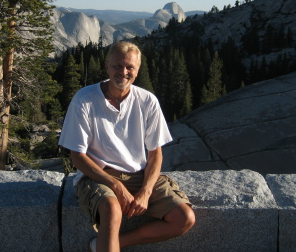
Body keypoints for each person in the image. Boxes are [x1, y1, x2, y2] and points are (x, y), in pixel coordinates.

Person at [59, 41, 195, 252]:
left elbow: (156, 153)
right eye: (117, 66)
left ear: (138, 70)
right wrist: (116, 186)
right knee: (112, 209)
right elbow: (77, 157)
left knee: (184, 218)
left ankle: (110, 245)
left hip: (139, 174)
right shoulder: (84, 100)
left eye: (130, 67)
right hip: (98, 176)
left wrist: (146, 192)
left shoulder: (147, 101)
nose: (123, 72)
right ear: (107, 66)